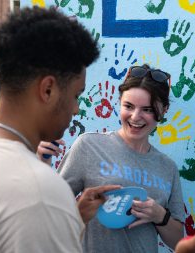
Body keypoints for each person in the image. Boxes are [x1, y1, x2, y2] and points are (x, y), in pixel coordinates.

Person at [0, 7, 195, 253]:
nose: (78, 109)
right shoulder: (39, 189)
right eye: (77, 94)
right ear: (48, 89)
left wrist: (80, 215)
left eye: (147, 109)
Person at [58, 64, 184, 252]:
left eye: (147, 109)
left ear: (164, 110)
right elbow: (51, 209)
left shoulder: (168, 168)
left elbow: (177, 241)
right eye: (128, 106)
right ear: (119, 103)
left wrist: (160, 216)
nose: (135, 116)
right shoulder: (88, 145)